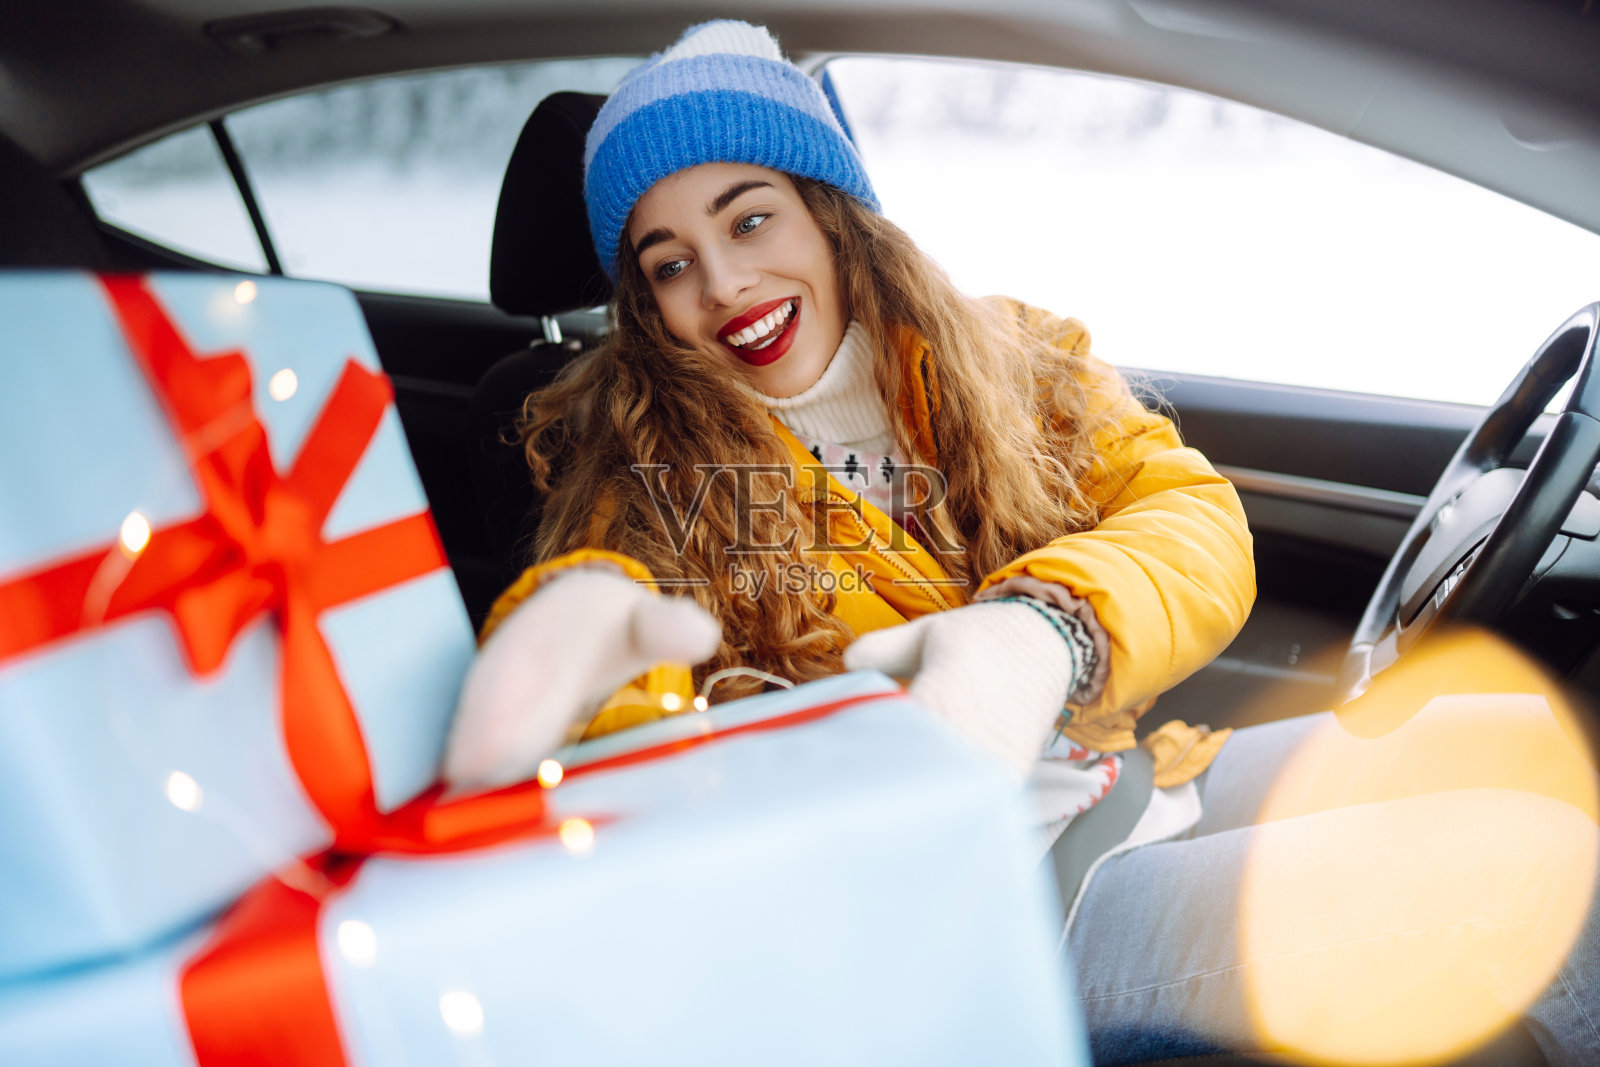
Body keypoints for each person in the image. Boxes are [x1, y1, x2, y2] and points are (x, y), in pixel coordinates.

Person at [443, 21, 1600, 1066]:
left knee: (1508, 732)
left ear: (831, 212)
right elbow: (606, 622)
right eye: (671, 264)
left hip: (1119, 778)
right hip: (974, 921)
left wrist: (1045, 630)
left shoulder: (1006, 356)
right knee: (1548, 868)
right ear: (645, 306)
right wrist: (576, 664)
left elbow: (1186, 514)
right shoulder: (634, 463)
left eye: (750, 219)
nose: (726, 280)